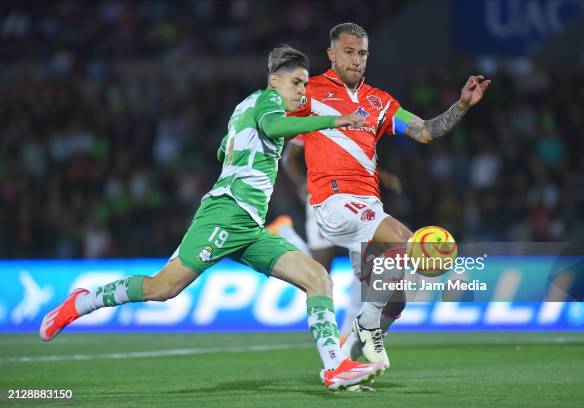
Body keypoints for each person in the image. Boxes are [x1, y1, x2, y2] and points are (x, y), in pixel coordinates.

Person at [39, 45, 385, 391]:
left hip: (247, 226)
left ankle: (334, 366)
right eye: (295, 83)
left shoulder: (244, 107)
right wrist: (334, 120)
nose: (301, 91)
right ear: (273, 81)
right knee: (161, 289)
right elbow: (273, 125)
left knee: (317, 278)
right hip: (225, 214)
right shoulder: (268, 103)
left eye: (304, 84)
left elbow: (225, 145)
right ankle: (81, 301)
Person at [291, 22, 491, 369]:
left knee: (395, 301)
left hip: (369, 205)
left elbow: (426, 131)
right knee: (406, 241)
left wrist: (462, 104)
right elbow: (276, 125)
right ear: (331, 54)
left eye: (362, 53)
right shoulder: (311, 92)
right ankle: (366, 325)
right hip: (334, 201)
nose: (356, 60)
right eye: (349, 52)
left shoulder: (378, 101)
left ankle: (343, 365)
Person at [273, 140, 403, 343]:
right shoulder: (316, 116)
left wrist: (379, 175)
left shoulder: (351, 119)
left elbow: (354, 159)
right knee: (320, 272)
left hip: (355, 199)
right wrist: (302, 186)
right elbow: (289, 158)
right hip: (324, 197)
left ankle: (347, 333)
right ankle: (285, 235)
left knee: (365, 261)